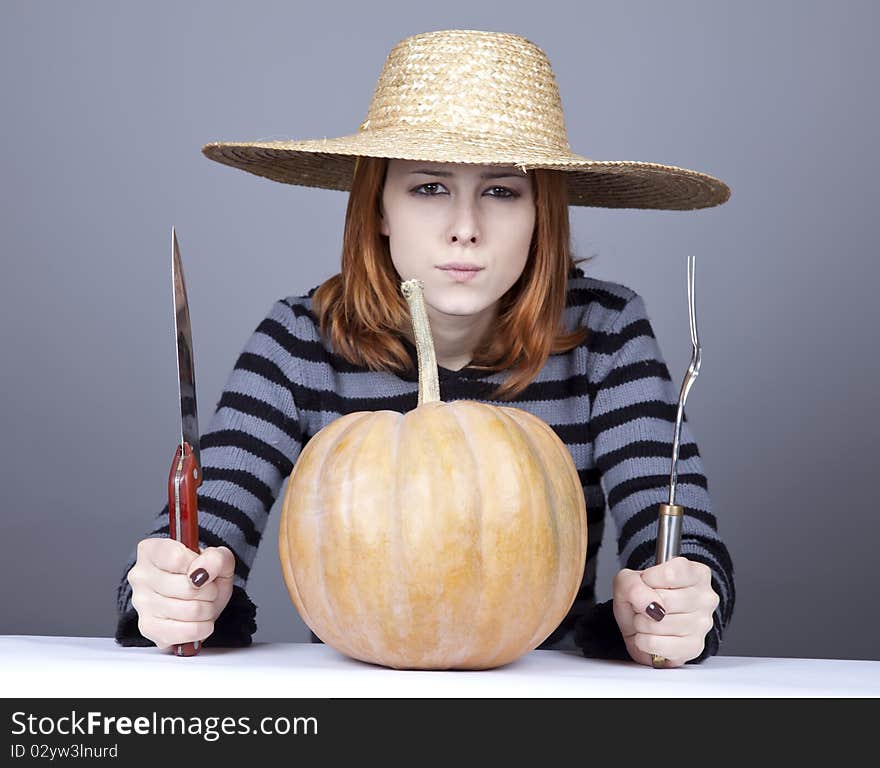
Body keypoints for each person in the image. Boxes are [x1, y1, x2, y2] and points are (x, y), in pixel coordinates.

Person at [117, 29, 734, 668]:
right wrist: (171, 596)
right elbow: (197, 539)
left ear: (541, 213)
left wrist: (675, 606)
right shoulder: (301, 340)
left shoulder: (604, 332)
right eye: (428, 188)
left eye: (502, 191)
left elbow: (683, 549)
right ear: (378, 206)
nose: (464, 229)